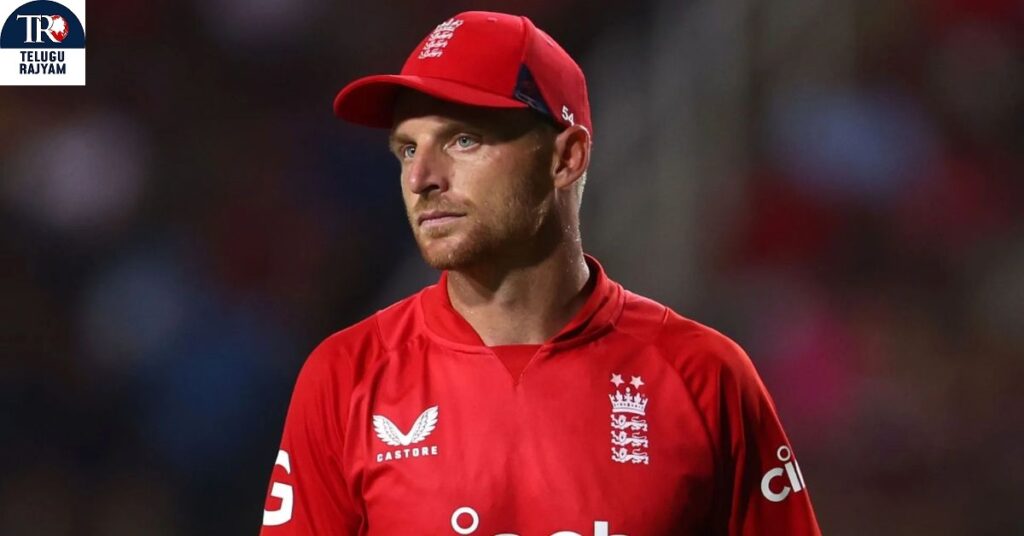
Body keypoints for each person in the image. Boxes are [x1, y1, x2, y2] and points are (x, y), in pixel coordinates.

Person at [260, 10, 821, 536]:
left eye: (463, 140)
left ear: (565, 158)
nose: (420, 179)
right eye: (407, 149)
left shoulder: (706, 377)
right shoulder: (344, 377)